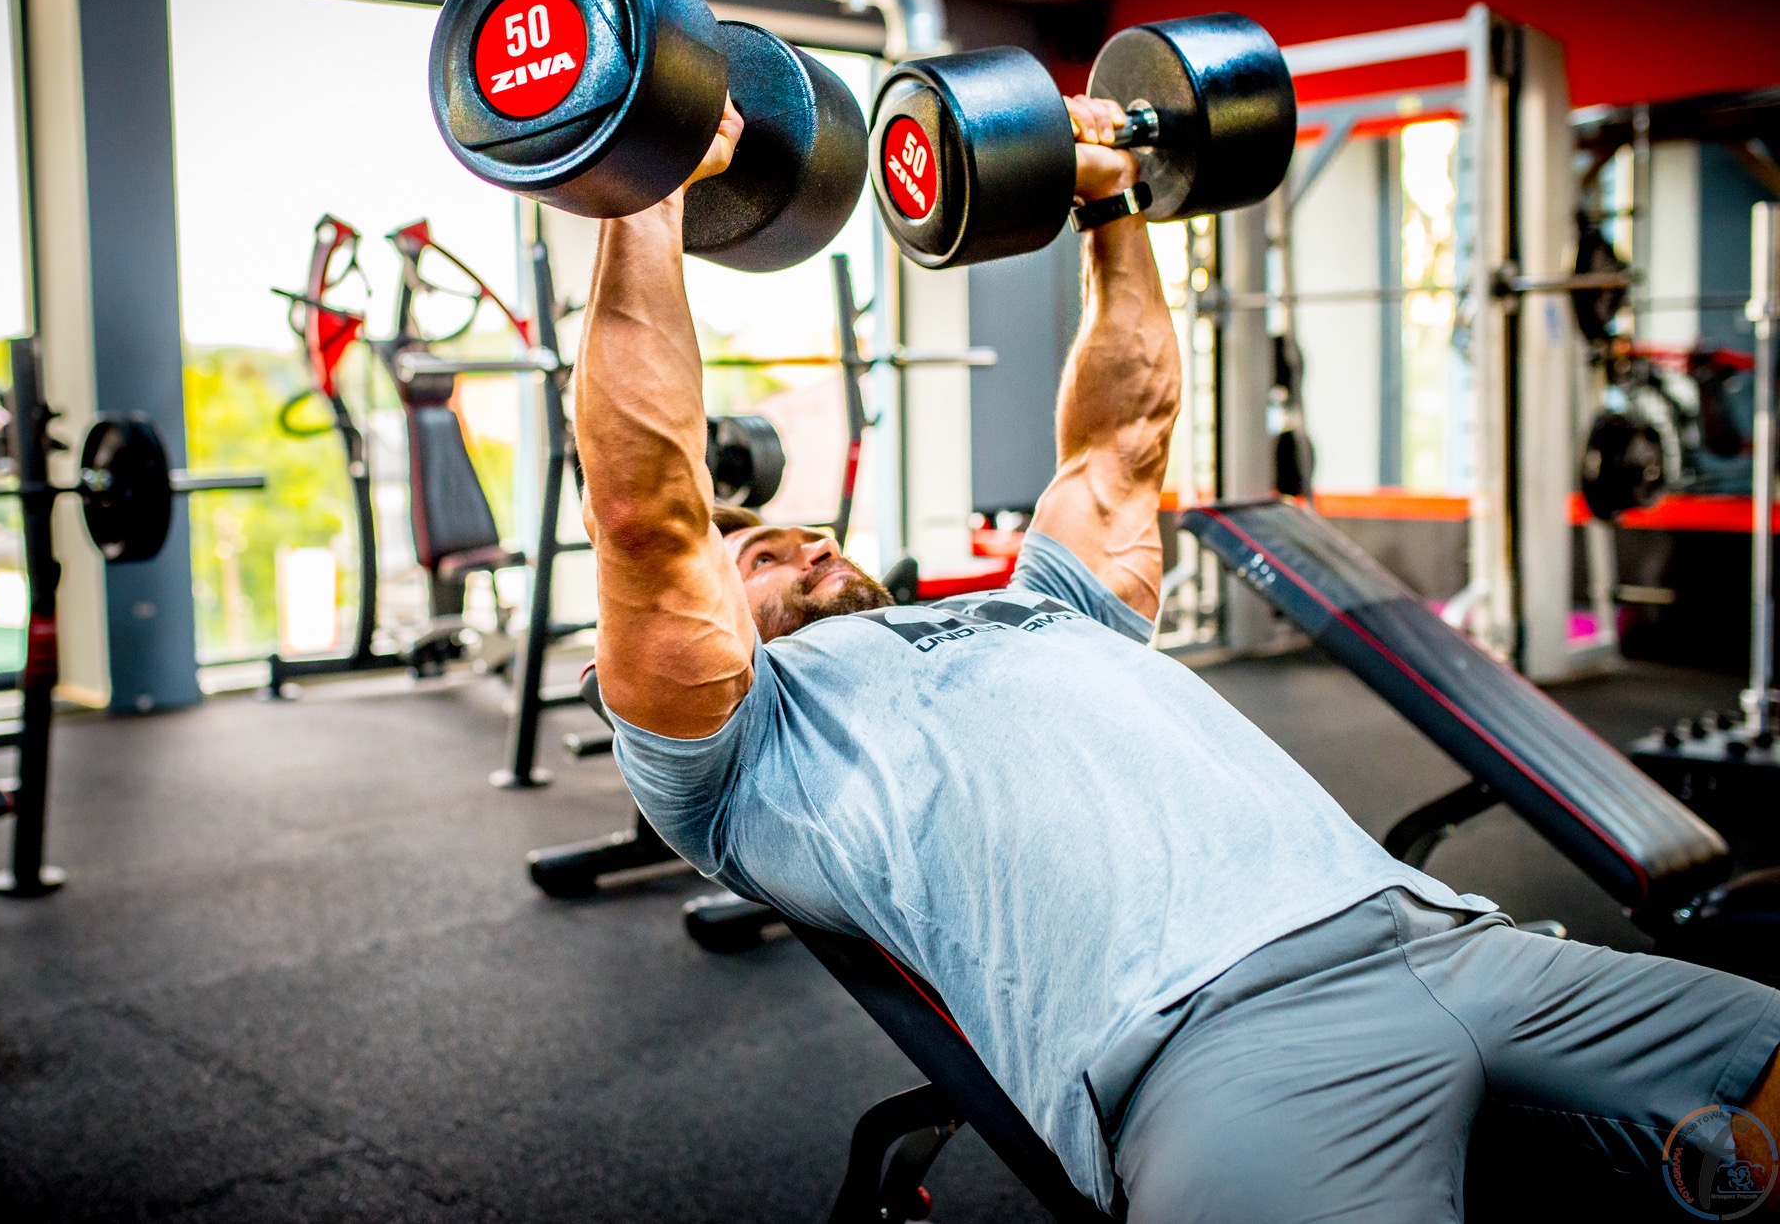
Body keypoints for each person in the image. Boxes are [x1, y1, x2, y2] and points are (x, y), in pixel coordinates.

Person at [573, 93, 1780, 1222]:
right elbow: (645, 511)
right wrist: (651, 190)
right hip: (1212, 1043)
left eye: (804, 530)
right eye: (764, 554)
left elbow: (1124, 435)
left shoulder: (1043, 607)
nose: (807, 541)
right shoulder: (739, 755)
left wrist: (1109, 203)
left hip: (1452, 941)